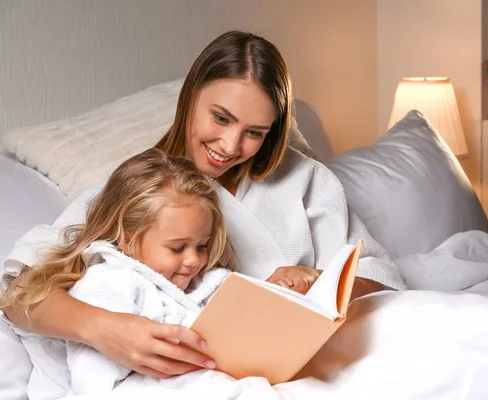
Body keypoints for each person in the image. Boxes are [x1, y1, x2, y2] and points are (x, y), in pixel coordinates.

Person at [1, 30, 405, 380]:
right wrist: (106, 329)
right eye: (221, 118)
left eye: (255, 133)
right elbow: (18, 292)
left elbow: (381, 279)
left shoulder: (306, 181)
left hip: (316, 362)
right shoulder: (131, 193)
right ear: (191, 97)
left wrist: (318, 282)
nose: (231, 147)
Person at [2, 148, 235, 396]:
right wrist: (106, 328)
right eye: (177, 248)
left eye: (202, 246)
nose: (194, 260)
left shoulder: (204, 281)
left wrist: (265, 293)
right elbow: (19, 295)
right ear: (127, 238)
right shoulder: (109, 279)